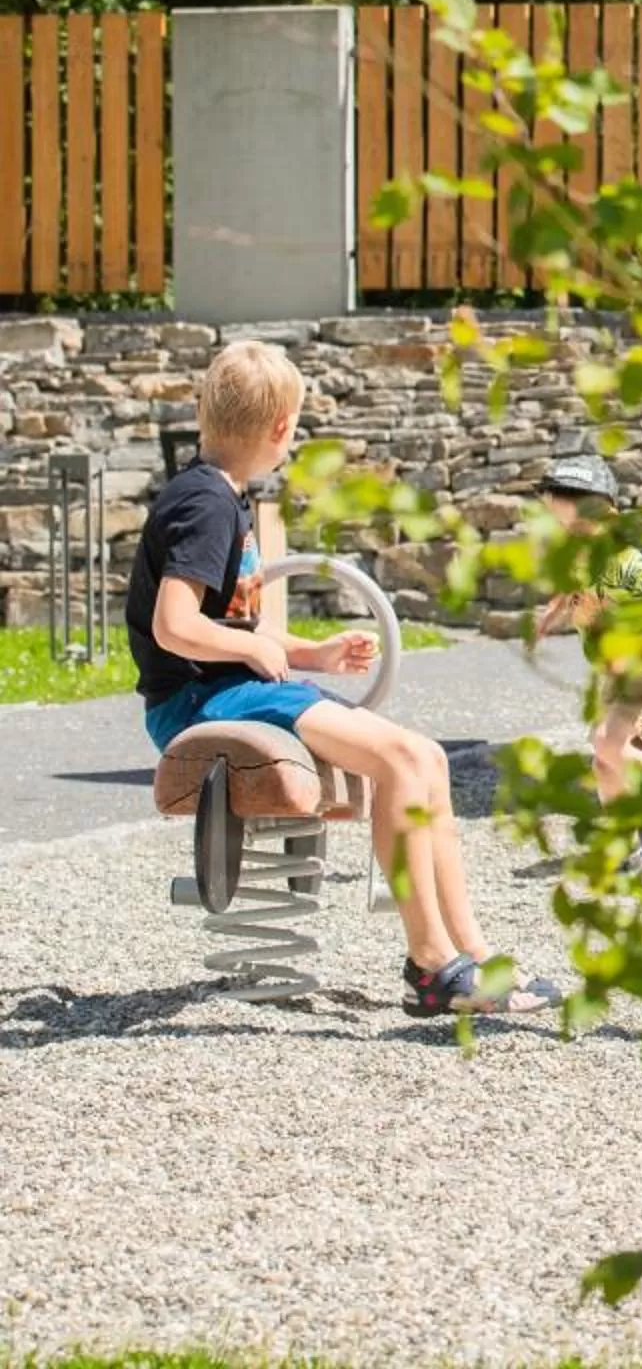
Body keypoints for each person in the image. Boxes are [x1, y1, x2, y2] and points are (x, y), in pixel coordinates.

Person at [129, 340, 561, 1017]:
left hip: (226, 687)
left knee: (424, 759)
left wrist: (312, 654)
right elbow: (175, 627)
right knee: (397, 759)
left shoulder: (220, 496)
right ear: (281, 430)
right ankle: (431, 965)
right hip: (197, 703)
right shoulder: (206, 506)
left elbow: (234, 632)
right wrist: (253, 655)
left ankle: (469, 953)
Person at [528, 452, 642, 876]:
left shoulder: (623, 562)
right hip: (617, 675)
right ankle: (634, 845)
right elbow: (568, 590)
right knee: (604, 761)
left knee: (610, 746)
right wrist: (550, 618)